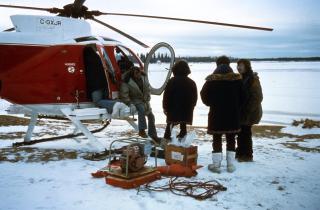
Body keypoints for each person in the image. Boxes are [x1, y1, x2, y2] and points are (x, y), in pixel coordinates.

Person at [200, 56, 244, 173]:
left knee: (217, 138)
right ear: (229, 65)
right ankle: (230, 165)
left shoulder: (211, 80)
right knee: (231, 138)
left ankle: (216, 165)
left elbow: (204, 95)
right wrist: (236, 106)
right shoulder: (237, 80)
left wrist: (211, 103)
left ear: (217, 65)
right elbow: (244, 96)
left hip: (216, 114)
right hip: (233, 114)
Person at [119, 66, 159, 140]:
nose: (138, 75)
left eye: (139, 73)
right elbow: (124, 94)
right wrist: (129, 103)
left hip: (145, 101)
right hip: (135, 100)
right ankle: (142, 130)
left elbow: (148, 88)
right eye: (136, 74)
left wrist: (148, 96)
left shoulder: (144, 78)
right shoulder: (127, 81)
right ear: (132, 74)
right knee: (141, 110)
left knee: (151, 116)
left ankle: (153, 135)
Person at [162, 60, 198, 141]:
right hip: (187, 109)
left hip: (173, 108)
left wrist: (165, 107)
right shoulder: (192, 82)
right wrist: (192, 107)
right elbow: (195, 98)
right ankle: (181, 144)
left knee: (169, 126)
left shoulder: (172, 81)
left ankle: (165, 145)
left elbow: (166, 96)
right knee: (183, 125)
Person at [236, 59, 263, 162]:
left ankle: (247, 155)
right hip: (242, 111)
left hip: (250, 112)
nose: (239, 67)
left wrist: (247, 110)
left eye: (241, 65)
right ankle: (239, 153)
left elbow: (258, 97)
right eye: (238, 65)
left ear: (246, 66)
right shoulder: (240, 78)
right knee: (240, 132)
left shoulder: (253, 79)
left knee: (246, 133)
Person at [83, 45, 115, 114]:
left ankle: (115, 104)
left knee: (97, 101)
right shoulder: (98, 58)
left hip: (96, 86)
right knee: (104, 100)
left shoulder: (87, 60)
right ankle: (114, 105)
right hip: (104, 85)